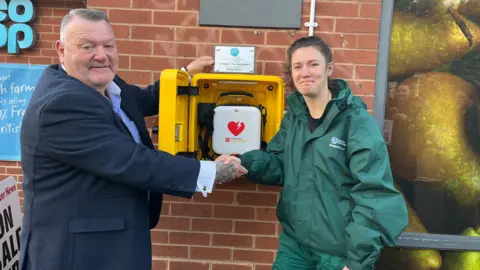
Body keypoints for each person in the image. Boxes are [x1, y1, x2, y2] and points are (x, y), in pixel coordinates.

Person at [19, 8, 247, 270]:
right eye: (87, 46)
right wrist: (211, 171)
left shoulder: (107, 84)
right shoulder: (62, 104)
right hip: (77, 253)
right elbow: (132, 161)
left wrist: (184, 75)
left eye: (108, 45)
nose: (101, 55)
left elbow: (145, 99)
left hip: (109, 243)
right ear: (61, 50)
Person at [217, 36, 409, 270]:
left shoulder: (356, 123)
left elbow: (375, 194)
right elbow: (279, 163)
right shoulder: (294, 119)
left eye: (313, 64)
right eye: (297, 66)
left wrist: (356, 261)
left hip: (338, 253)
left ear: (329, 68)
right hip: (295, 245)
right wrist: (243, 160)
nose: (305, 72)